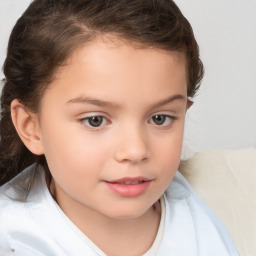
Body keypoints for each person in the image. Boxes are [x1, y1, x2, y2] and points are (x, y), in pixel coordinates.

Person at [0, 0, 238, 255]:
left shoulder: (198, 215)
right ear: (31, 127)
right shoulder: (13, 239)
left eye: (160, 118)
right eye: (95, 120)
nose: (135, 151)